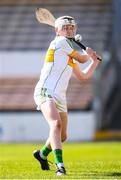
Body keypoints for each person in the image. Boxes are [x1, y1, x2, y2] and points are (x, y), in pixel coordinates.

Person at [33, 16, 101, 176]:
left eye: (71, 27)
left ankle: (41, 154)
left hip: (60, 96)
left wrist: (95, 63)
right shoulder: (59, 43)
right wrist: (88, 53)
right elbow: (83, 59)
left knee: (62, 136)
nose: (69, 30)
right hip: (45, 90)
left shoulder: (68, 53)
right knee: (55, 125)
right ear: (57, 30)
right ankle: (60, 166)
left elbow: (83, 76)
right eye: (65, 27)